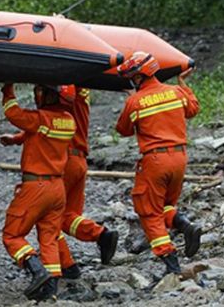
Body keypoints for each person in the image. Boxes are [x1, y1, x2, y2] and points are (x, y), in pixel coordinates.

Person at [115, 51, 201, 275]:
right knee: (165, 205)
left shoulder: (135, 101)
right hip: (180, 159)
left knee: (149, 212)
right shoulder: (176, 92)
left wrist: (130, 99)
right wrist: (182, 83)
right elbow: (193, 109)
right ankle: (184, 224)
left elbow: (123, 130)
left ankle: (171, 265)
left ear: (139, 76)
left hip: (155, 161)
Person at [0, 83, 75, 301]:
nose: (37, 94)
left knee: (12, 235)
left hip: (36, 187)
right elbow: (39, 132)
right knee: (49, 237)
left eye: (41, 91)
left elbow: (13, 113)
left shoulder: (40, 118)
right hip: (57, 188)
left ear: (51, 95)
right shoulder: (69, 121)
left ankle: (36, 269)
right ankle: (50, 289)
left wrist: (7, 89)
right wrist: (16, 139)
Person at [54, 86, 118, 277]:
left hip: (64, 161)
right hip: (79, 160)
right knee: (68, 216)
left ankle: (67, 266)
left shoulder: (66, 93)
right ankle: (101, 234)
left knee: (48, 217)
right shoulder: (81, 91)